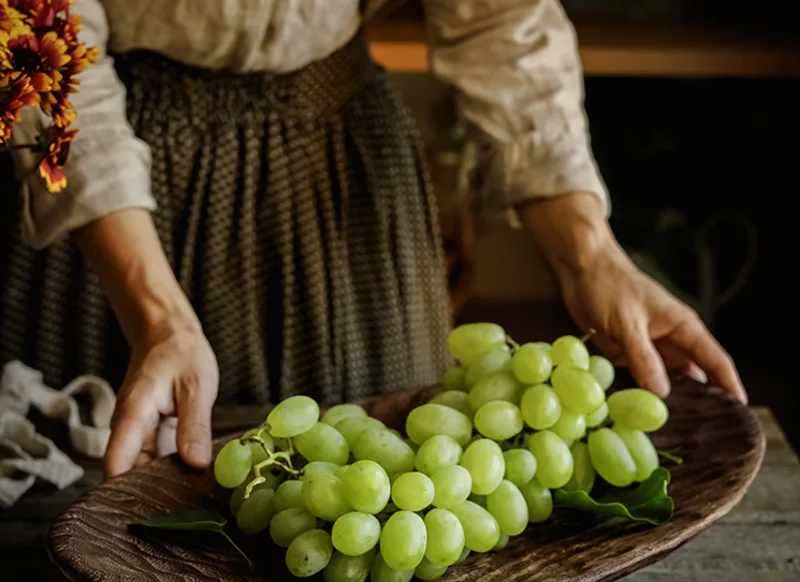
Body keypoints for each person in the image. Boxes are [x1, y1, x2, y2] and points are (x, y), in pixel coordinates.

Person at [0, 0, 746, 480]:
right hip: (107, 192)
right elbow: (41, 25)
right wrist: (154, 312)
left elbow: (500, 20)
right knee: (92, 494)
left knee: (395, 474)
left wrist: (590, 253)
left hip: (341, 175)